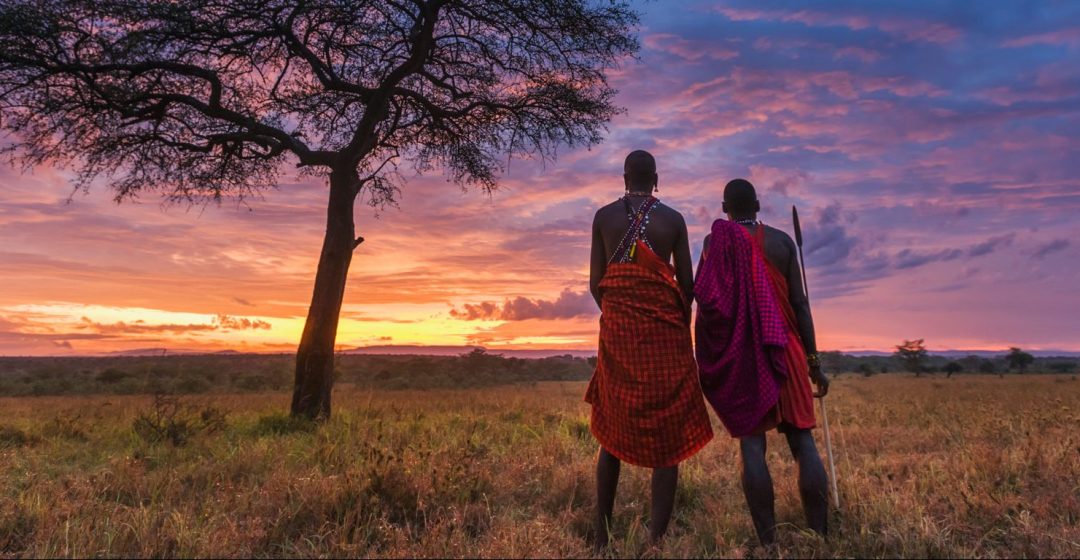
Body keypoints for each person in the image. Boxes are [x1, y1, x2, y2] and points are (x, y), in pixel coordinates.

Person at [586, 150, 713, 551]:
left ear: (624, 178)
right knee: (669, 431)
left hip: (618, 337)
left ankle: (601, 534)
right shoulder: (673, 220)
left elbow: (596, 283)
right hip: (665, 340)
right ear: (656, 178)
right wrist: (662, 317)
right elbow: (688, 287)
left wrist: (623, 315)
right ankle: (657, 539)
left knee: (611, 431)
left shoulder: (603, 217)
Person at [694, 178, 830, 545]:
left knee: (752, 444)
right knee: (803, 441)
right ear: (757, 205)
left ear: (724, 209)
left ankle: (768, 543)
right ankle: (820, 535)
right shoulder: (783, 243)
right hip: (785, 348)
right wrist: (814, 362)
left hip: (744, 354)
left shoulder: (712, 244)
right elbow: (801, 305)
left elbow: (707, 303)